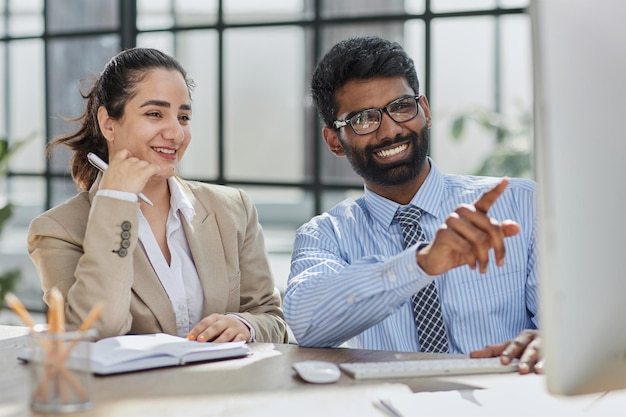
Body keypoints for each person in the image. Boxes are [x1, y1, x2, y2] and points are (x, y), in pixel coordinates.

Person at [283, 35, 539, 371]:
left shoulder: (521, 205)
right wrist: (420, 264)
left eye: (402, 107)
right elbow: (307, 322)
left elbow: (571, 323)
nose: (390, 131)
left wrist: (552, 340)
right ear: (334, 141)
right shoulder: (325, 234)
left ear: (425, 111)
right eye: (363, 119)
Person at [27, 47, 288, 344]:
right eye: (155, 114)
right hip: (130, 392)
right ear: (108, 123)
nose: (176, 133)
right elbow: (95, 330)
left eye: (184, 117)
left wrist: (244, 325)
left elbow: (271, 318)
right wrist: (116, 203)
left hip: (221, 387)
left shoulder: (232, 209)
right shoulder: (57, 231)